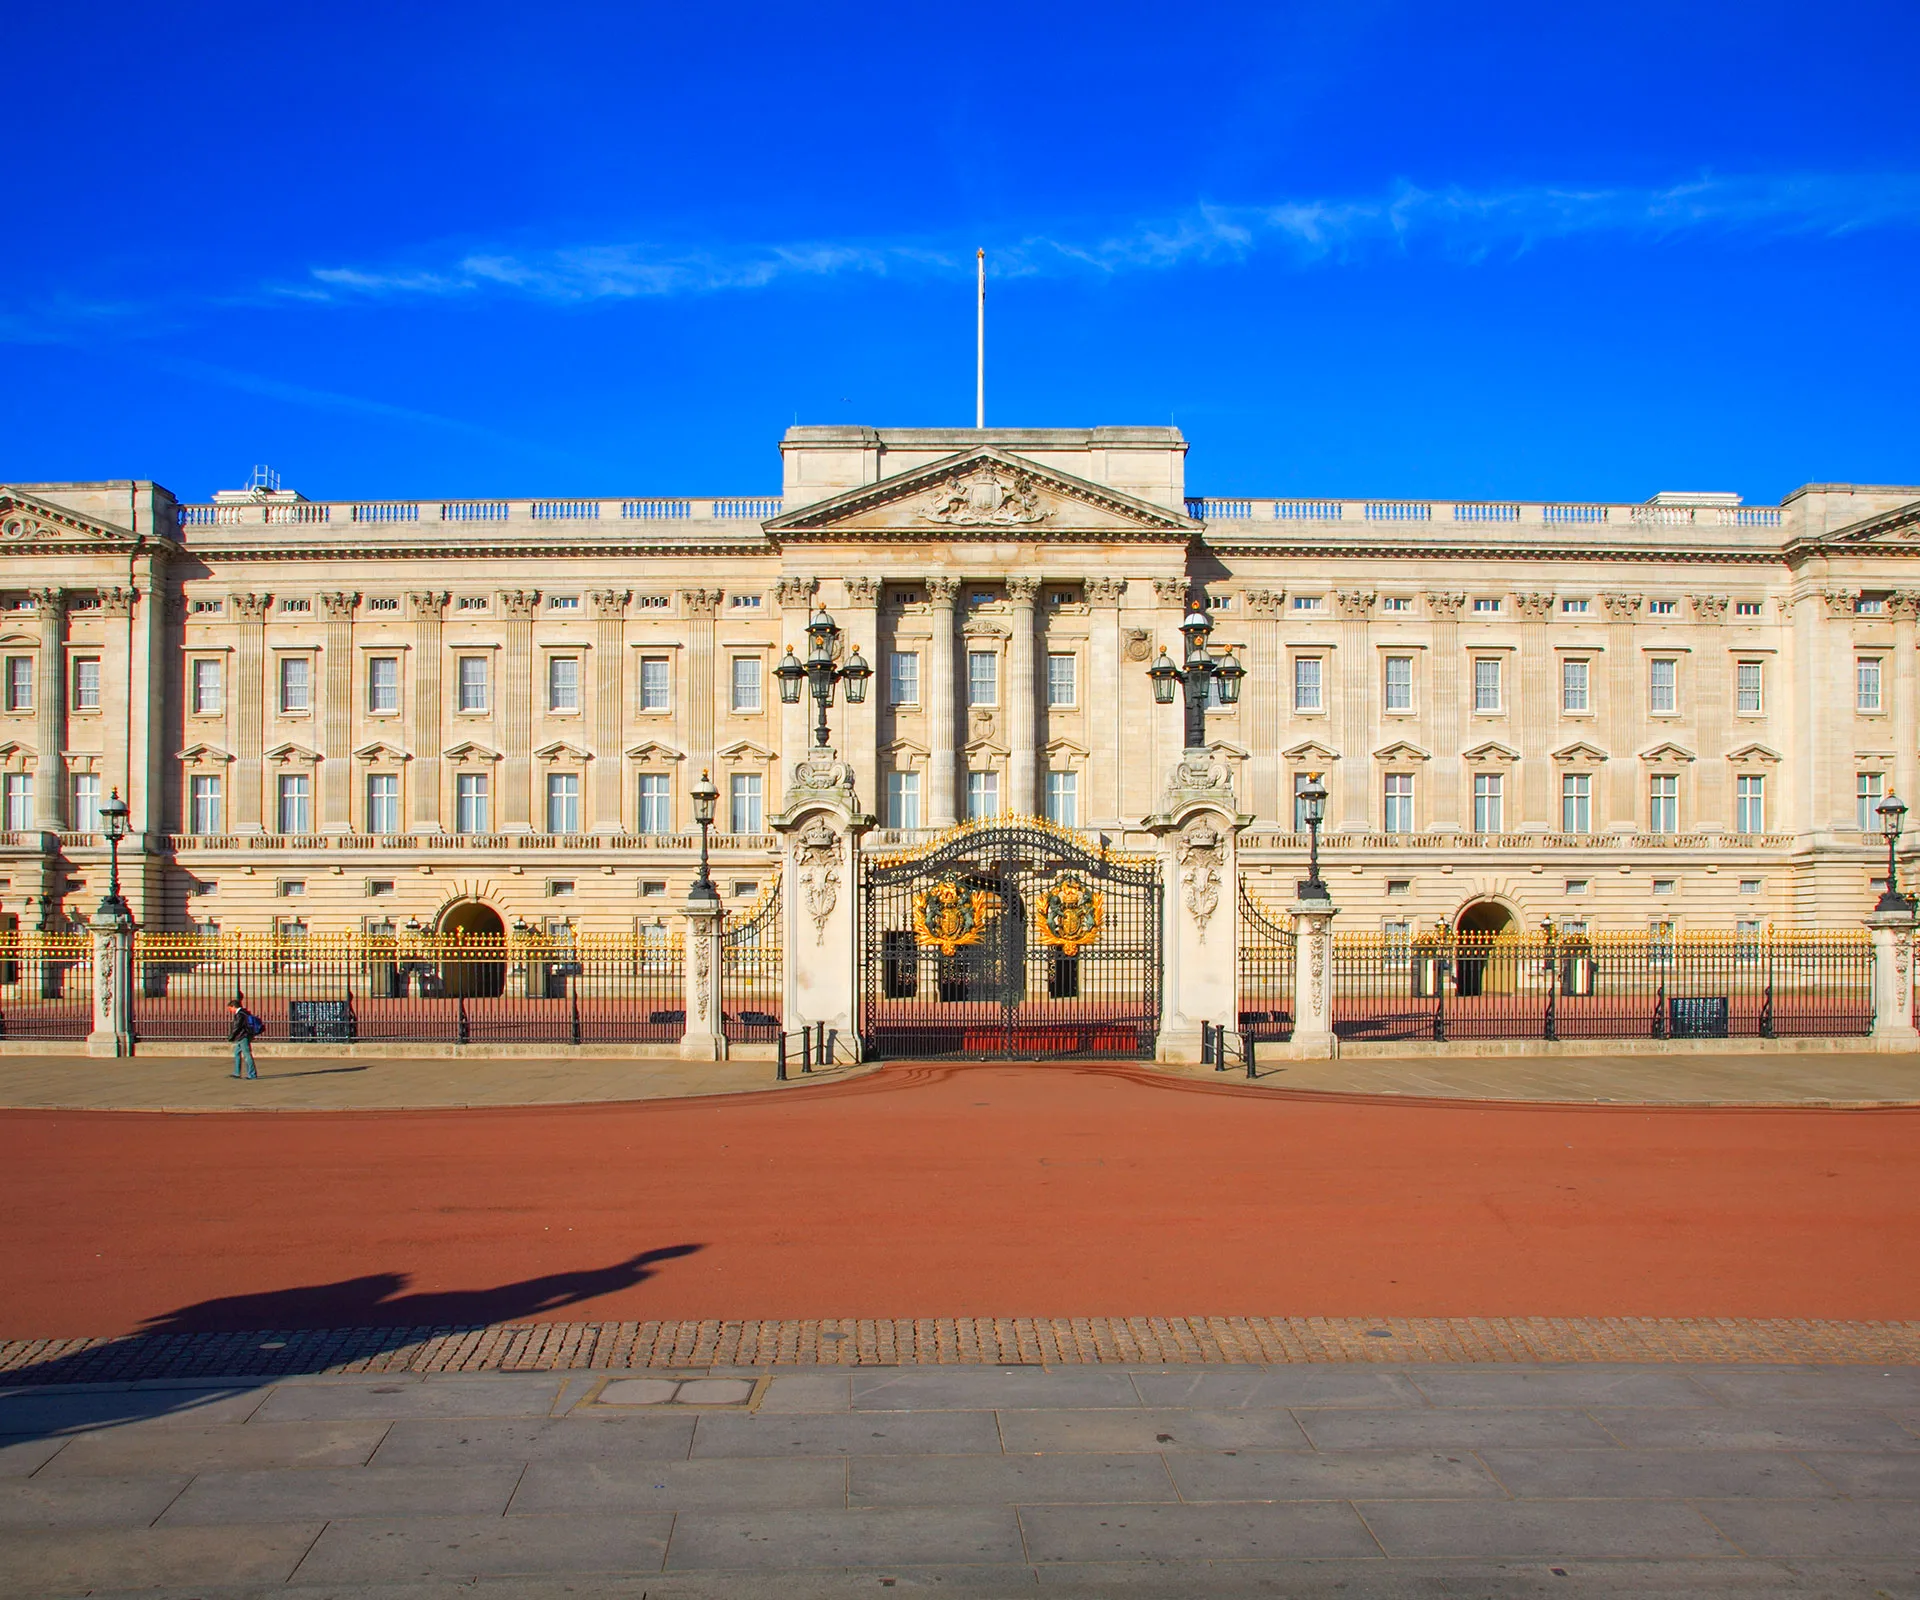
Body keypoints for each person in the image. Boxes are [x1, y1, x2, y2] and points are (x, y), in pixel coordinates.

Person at [227, 997, 261, 1079]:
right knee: (237, 1052)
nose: (230, 1010)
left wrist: (231, 1036)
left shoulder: (240, 1015)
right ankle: (237, 1072)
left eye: (230, 1008)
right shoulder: (245, 1013)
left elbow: (237, 1027)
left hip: (243, 1036)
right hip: (245, 1035)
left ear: (234, 1007)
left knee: (247, 1055)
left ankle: (252, 1074)